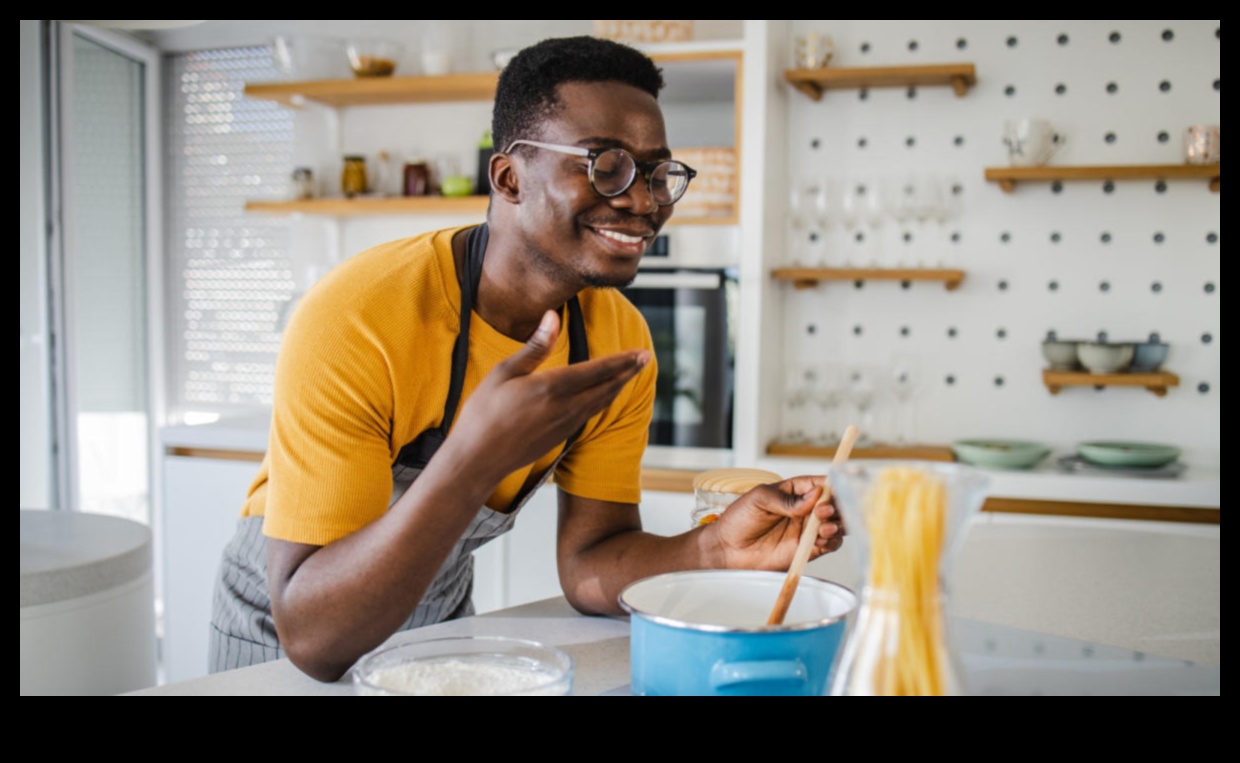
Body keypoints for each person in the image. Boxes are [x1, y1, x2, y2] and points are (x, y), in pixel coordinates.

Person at [209, 35, 845, 683]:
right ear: (510, 177)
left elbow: (592, 560)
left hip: (437, 619)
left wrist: (715, 548)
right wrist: (473, 458)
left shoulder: (616, 339)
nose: (644, 201)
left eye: (657, 173)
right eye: (605, 164)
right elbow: (316, 640)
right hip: (282, 623)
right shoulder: (359, 315)